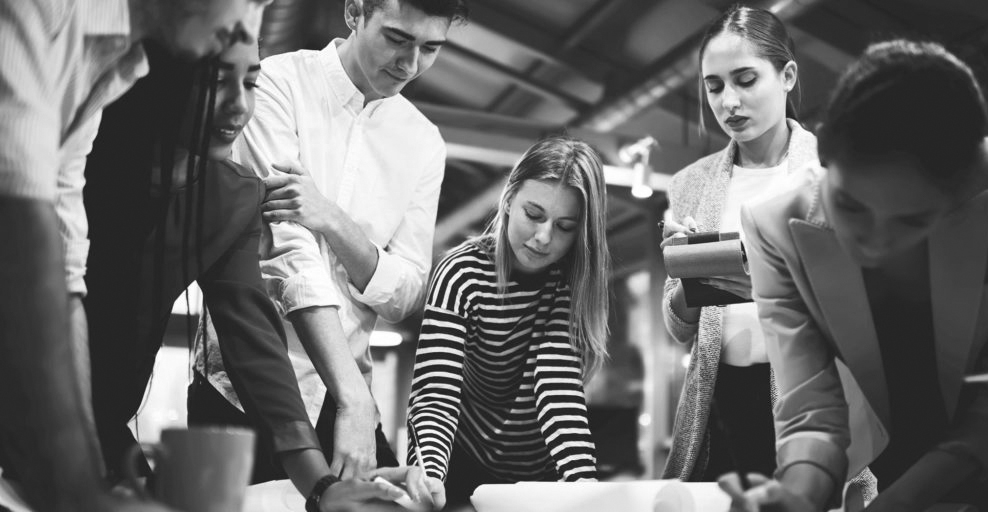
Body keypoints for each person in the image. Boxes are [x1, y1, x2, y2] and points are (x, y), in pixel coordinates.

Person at [82, 38, 441, 512]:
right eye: (215, 83)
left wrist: (322, 487)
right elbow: (290, 255)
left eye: (249, 83)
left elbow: (254, 339)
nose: (238, 106)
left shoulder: (230, 196)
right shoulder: (78, 169)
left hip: (102, 417)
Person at [720, 39, 988, 512]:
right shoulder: (774, 228)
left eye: (912, 220)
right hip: (898, 450)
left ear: (965, 190)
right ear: (822, 153)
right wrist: (796, 494)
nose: (875, 243)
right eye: (852, 207)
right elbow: (810, 408)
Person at [0, 1, 269, 511]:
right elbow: (20, 246)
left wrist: (91, 476)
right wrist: (80, 490)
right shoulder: (35, 11)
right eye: (252, 0)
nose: (249, 25)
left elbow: (63, 279)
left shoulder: (111, 69)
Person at [189, 0, 466, 487]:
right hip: (243, 385)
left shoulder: (425, 143)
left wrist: (333, 220)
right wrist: (355, 398)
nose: (411, 64)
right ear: (355, 11)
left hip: (345, 400)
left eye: (431, 48)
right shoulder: (274, 83)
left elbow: (406, 293)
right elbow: (284, 251)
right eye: (398, 39)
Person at [407, 136, 610, 508]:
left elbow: (559, 391)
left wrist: (584, 488)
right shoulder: (462, 273)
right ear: (508, 199)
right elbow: (436, 392)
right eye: (533, 215)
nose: (544, 237)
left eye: (565, 227)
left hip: (541, 472)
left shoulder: (567, 283)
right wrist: (430, 472)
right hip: (462, 464)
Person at [660, 4, 809, 483]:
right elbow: (679, 326)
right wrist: (688, 275)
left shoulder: (830, 178)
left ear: (786, 76)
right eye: (714, 85)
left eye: (746, 80)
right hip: (718, 398)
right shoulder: (690, 183)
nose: (728, 102)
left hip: (808, 397)